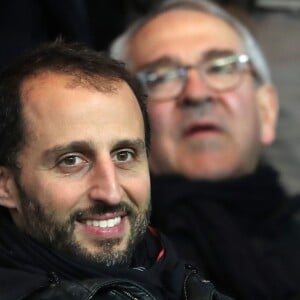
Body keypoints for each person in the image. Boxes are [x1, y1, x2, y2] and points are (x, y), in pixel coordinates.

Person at [0, 42, 232, 300]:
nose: (110, 193)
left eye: (124, 155)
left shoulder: (175, 274)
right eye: (72, 160)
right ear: (5, 185)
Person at [110, 1, 300, 299]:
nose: (197, 94)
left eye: (222, 67)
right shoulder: (110, 265)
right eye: (161, 76)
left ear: (267, 110)